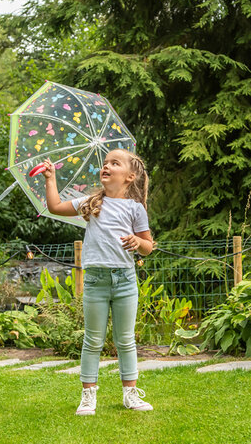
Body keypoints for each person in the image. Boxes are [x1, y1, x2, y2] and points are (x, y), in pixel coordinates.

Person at [42, 149, 154, 414]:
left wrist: (138, 242)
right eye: (105, 163)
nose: (106, 167)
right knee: (92, 340)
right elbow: (55, 206)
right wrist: (50, 178)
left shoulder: (135, 208)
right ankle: (88, 396)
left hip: (125, 280)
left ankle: (130, 395)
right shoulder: (91, 202)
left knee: (125, 339)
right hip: (95, 280)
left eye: (114, 163)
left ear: (130, 176)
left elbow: (148, 246)